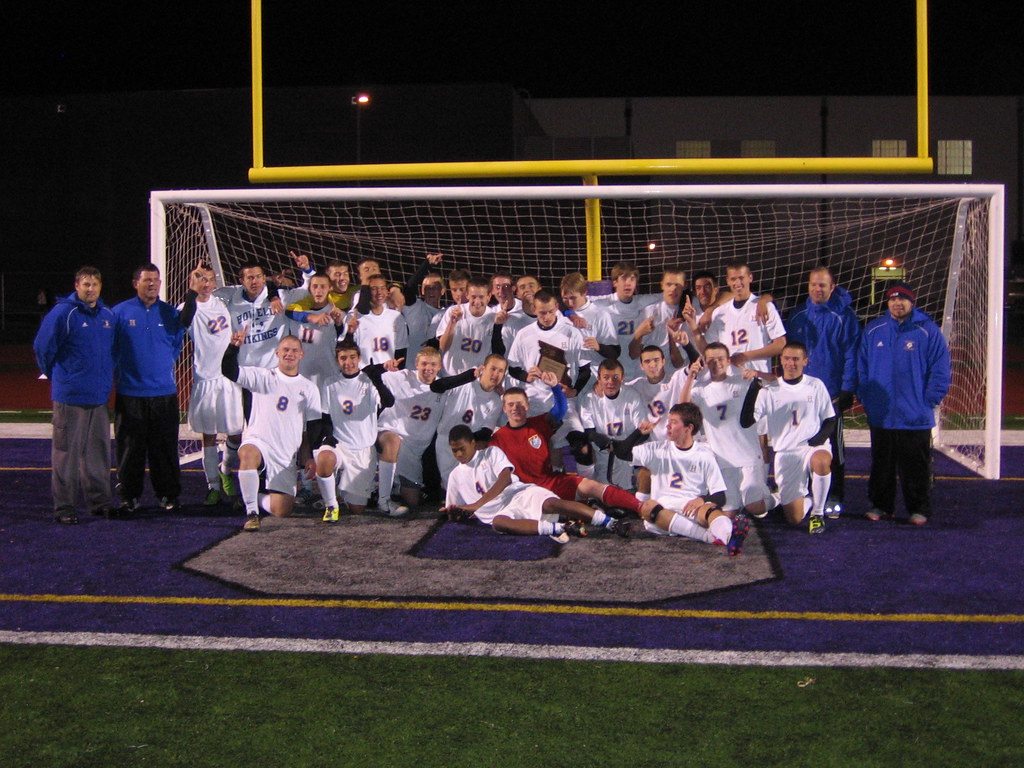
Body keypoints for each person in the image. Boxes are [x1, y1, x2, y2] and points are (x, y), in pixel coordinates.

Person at [856, 281, 951, 525]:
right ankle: (880, 505)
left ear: (912, 301)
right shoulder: (873, 330)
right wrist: (868, 398)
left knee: (916, 466)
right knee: (881, 464)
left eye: (903, 299)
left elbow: (940, 370)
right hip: (882, 414)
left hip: (915, 415)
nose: (898, 303)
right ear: (887, 302)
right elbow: (862, 368)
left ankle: (919, 509)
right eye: (893, 299)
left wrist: (927, 401)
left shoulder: (928, 331)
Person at [489, 377, 649, 516]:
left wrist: (555, 387)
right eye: (510, 405)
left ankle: (640, 507)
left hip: (550, 483)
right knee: (558, 513)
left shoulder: (539, 423)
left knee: (592, 485)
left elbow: (560, 410)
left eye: (519, 404)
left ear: (527, 406)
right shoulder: (497, 438)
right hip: (523, 493)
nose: (515, 408)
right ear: (504, 409)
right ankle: (591, 511)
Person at [443, 425, 628, 542]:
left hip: (518, 493)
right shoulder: (455, 476)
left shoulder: (491, 453)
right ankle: (561, 528)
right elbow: (455, 514)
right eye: (454, 451)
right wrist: (456, 512)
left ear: (473, 443)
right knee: (498, 523)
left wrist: (475, 505)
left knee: (552, 504)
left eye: (462, 449)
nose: (459, 454)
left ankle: (610, 523)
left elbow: (505, 478)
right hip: (502, 512)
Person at [33, 266, 116, 524]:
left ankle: (99, 502)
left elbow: (112, 352)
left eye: (94, 284)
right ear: (76, 286)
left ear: (100, 287)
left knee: (98, 454)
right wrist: (61, 376)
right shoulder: (62, 313)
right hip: (70, 397)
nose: (90, 289)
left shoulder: (107, 315)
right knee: (66, 454)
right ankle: (65, 507)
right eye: (85, 284)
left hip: (99, 398)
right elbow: (42, 348)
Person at [222, 332, 322, 531]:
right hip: (259, 442)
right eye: (285, 350)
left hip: (284, 454)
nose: (289, 354)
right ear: (277, 353)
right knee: (247, 453)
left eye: (294, 351)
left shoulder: (309, 388)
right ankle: (252, 512)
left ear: (301, 355)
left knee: (282, 509)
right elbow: (229, 370)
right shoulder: (262, 376)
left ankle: (252, 496)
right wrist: (233, 347)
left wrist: (308, 456)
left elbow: (311, 427)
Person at [785, 266, 861, 517]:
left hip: (830, 395)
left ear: (832, 287)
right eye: (813, 285)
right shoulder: (797, 315)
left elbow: (851, 353)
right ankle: (804, 495)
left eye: (822, 285)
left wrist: (848, 387)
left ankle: (833, 498)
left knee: (833, 448)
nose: (817, 289)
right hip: (800, 395)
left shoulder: (844, 316)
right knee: (799, 445)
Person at [111, 263, 185, 514]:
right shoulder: (119, 313)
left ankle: (168, 495)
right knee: (130, 449)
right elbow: (111, 350)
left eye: (156, 280)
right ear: (136, 283)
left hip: (164, 394)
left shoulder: (170, 313)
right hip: (130, 394)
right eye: (147, 280)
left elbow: (175, 346)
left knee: (164, 449)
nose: (153, 284)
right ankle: (128, 497)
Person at [740, 341, 835, 534]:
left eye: (796, 359)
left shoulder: (815, 385)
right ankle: (804, 499)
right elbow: (746, 421)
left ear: (805, 361)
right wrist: (752, 391)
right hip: (786, 452)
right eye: (787, 358)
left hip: (812, 446)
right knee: (794, 518)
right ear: (780, 360)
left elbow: (830, 418)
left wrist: (819, 440)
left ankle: (817, 514)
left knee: (822, 461)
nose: (791, 363)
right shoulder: (770, 390)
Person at [631, 403, 751, 555]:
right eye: (669, 421)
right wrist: (638, 433)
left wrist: (702, 499)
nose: (668, 426)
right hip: (661, 514)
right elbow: (621, 452)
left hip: (690, 510)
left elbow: (720, 496)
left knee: (710, 508)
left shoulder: (704, 455)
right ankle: (709, 537)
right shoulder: (656, 449)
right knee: (649, 507)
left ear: (689, 428)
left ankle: (729, 538)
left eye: (674, 422)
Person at [678, 342, 770, 518]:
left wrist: (758, 375)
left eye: (720, 359)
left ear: (728, 361)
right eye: (711, 360)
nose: (716, 363)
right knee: (725, 515)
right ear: (705, 362)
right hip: (723, 460)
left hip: (748, 457)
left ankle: (781, 497)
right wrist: (691, 376)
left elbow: (775, 383)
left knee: (757, 509)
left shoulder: (742, 381)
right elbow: (682, 408)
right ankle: (741, 503)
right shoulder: (700, 388)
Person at [178, 262, 244, 506]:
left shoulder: (224, 303)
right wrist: (192, 291)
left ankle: (226, 470)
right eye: (200, 279)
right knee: (208, 435)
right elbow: (183, 322)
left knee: (236, 433)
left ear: (215, 281)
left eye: (209, 279)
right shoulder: (187, 306)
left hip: (228, 377)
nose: (205, 284)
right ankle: (213, 485)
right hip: (205, 379)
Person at [315, 339, 394, 520]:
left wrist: (377, 379)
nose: (348, 362)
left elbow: (389, 402)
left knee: (357, 510)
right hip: (340, 444)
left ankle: (343, 491)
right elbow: (325, 415)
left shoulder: (368, 380)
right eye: (343, 358)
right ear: (337, 361)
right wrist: (327, 437)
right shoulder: (330, 383)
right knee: (324, 458)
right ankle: (331, 506)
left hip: (363, 449)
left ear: (359, 358)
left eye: (352, 357)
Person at [376, 346, 448, 515]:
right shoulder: (400, 377)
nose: (428, 369)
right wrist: (382, 367)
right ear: (416, 364)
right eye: (424, 364)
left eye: (432, 364)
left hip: (414, 451)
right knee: (393, 441)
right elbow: (368, 375)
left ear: (440, 366)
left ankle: (395, 484)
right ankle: (383, 500)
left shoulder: (444, 388)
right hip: (389, 433)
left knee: (413, 502)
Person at [432, 354, 509, 482]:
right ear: (483, 368)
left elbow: (486, 432)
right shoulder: (465, 384)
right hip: (445, 441)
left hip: (469, 446)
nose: (496, 374)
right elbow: (435, 386)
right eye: (493, 369)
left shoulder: (497, 401)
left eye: (500, 371)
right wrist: (467, 375)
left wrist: (466, 441)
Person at [580, 358, 651, 489]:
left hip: (630, 452)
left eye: (615, 377)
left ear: (623, 377)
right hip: (605, 455)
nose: (610, 382)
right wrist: (610, 444)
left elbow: (642, 431)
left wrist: (622, 448)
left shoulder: (632, 395)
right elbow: (590, 433)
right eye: (606, 377)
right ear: (599, 378)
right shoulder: (589, 399)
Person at [343, 273, 409, 366]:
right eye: (374, 289)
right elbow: (345, 349)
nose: (379, 292)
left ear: (387, 291)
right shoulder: (356, 317)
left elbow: (401, 350)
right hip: (364, 375)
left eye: (382, 288)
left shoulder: (396, 317)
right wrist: (349, 333)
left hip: (388, 374)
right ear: (367, 292)